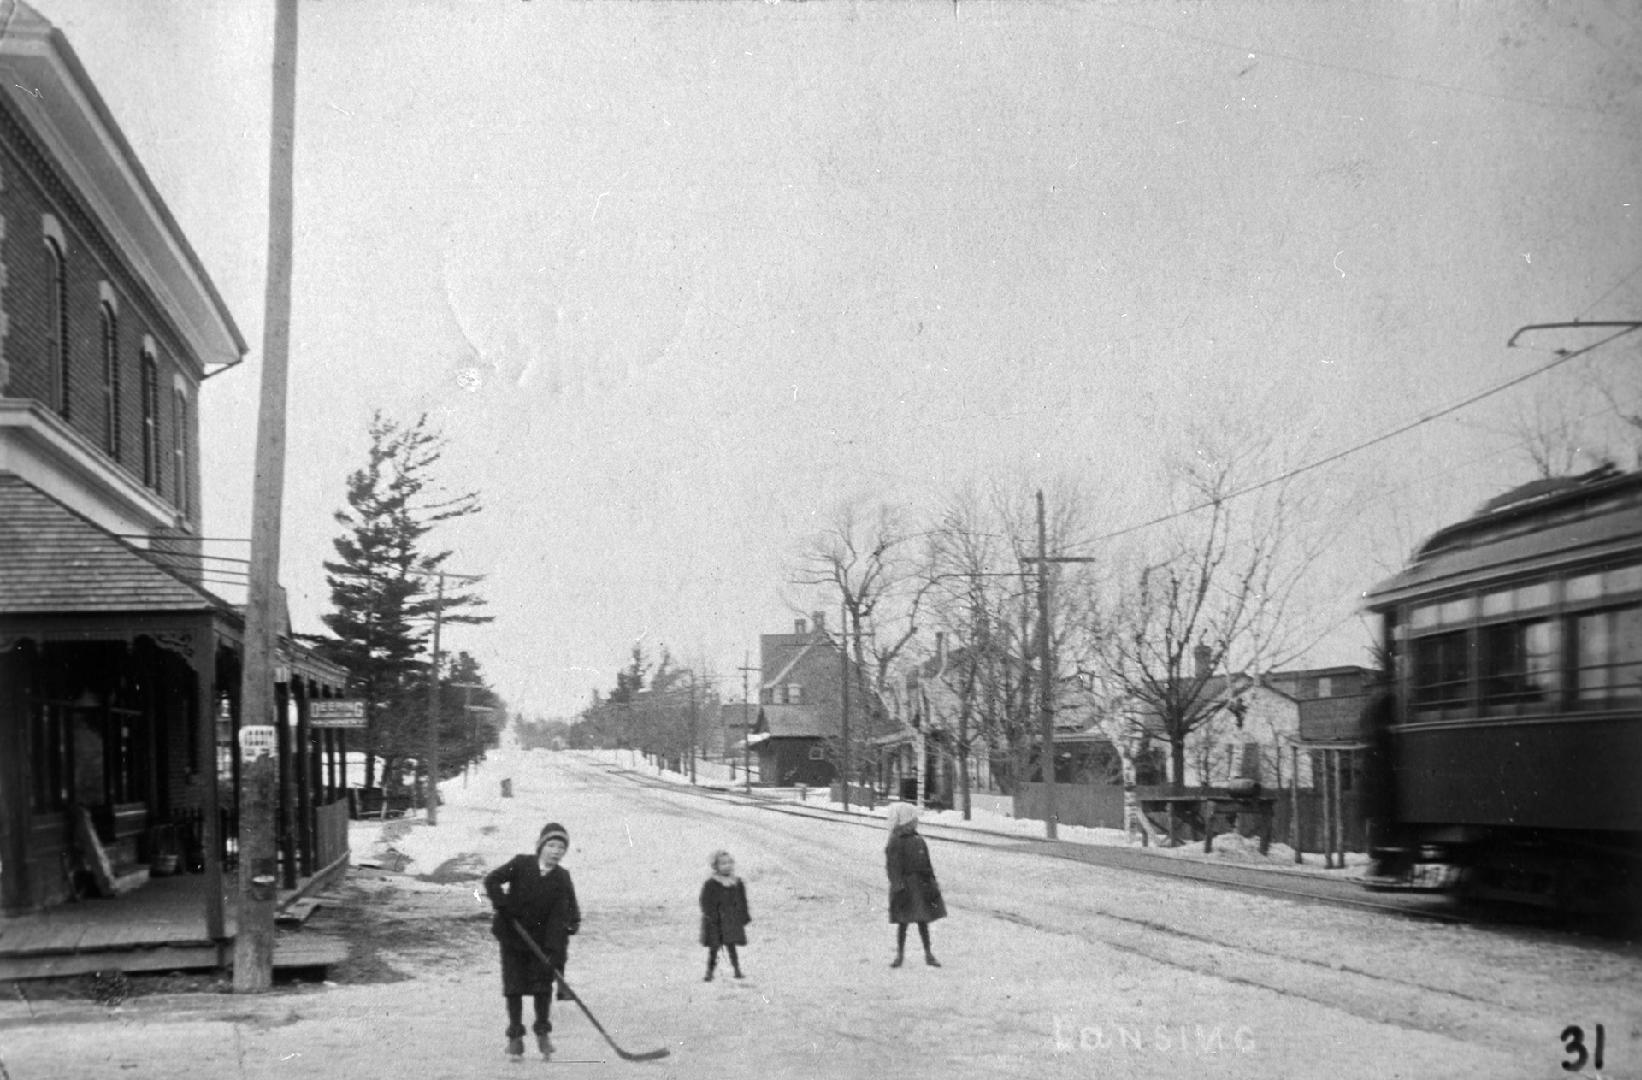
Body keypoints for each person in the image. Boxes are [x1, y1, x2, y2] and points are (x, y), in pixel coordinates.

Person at [484, 822, 581, 1059]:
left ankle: (542, 1034)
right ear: (541, 846)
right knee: (514, 988)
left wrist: (560, 940)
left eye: (561, 847)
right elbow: (492, 880)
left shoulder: (562, 877)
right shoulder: (520, 864)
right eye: (551, 845)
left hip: (542, 942)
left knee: (542, 988)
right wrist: (502, 904)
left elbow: (569, 911)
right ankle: (515, 1038)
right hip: (514, 937)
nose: (556, 851)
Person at [884, 801, 945, 968]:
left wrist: (932, 881)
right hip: (905, 887)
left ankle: (928, 954)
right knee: (903, 923)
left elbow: (927, 863)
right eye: (913, 820)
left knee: (922, 921)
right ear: (905, 821)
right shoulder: (896, 841)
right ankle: (900, 955)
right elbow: (893, 866)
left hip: (920, 886)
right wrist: (897, 885)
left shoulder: (919, 840)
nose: (916, 823)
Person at [699, 849, 751, 981]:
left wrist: (744, 915)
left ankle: (737, 970)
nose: (727, 866)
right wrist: (711, 915)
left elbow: (742, 900)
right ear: (716, 866)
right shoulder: (711, 883)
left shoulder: (737, 882)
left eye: (729, 863)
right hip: (715, 922)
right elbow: (705, 901)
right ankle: (709, 972)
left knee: (731, 945)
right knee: (714, 948)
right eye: (723, 863)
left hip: (731, 920)